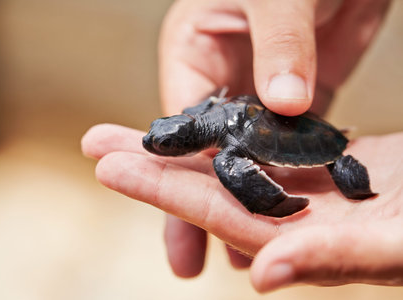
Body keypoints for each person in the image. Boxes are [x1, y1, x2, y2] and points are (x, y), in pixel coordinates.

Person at [82, 0, 403, 293]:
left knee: (244, 167)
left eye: (164, 143)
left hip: (309, 136)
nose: (153, 142)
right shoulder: (205, 113)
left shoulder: (221, 146)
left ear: (187, 142)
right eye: (158, 136)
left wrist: (273, 203)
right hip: (256, 116)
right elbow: (200, 108)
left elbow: (218, 138)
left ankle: (347, 175)